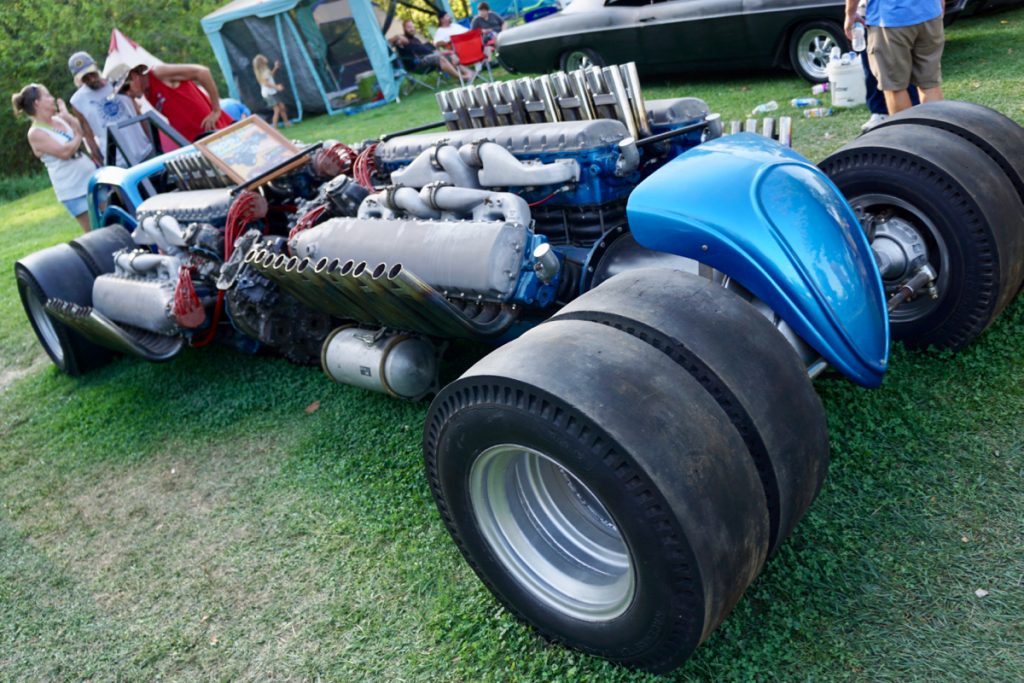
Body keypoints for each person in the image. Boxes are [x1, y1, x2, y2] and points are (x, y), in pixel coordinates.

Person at [12, 84, 96, 231]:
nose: (52, 99)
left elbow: (79, 127)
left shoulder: (59, 119)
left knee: (114, 223)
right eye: (48, 96)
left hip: (92, 179)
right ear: (37, 103)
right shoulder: (35, 133)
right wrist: (78, 136)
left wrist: (67, 115)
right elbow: (65, 152)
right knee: (96, 233)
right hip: (74, 190)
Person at [845, 0, 944, 116]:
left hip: (889, 19)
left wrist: (850, 14)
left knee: (895, 87)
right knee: (929, 84)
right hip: (929, 13)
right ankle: (937, 132)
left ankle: (907, 134)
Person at [107, 61, 234, 143]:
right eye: (122, 93)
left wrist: (216, 109)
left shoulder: (158, 73)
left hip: (218, 133)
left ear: (134, 76)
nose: (127, 94)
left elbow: (202, 72)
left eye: (125, 88)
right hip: (198, 142)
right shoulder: (147, 93)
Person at [67, 51, 153, 167]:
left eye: (92, 74)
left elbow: (138, 114)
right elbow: (89, 136)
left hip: (143, 150)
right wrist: (102, 165)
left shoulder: (118, 82)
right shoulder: (78, 101)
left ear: (96, 67)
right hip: (117, 161)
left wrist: (152, 141)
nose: (91, 79)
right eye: (85, 78)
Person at [392, 22, 475, 83]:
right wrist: (400, 38)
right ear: (404, 29)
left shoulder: (415, 39)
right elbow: (391, 40)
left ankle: (469, 73)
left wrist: (444, 52)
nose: (412, 28)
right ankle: (461, 78)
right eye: (409, 27)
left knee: (449, 55)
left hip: (428, 58)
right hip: (418, 63)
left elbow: (427, 50)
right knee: (439, 58)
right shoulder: (401, 42)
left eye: (413, 26)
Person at [252, 54, 291, 128]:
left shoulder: (265, 70)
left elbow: (270, 76)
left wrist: (275, 68)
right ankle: (274, 127)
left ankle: (287, 123)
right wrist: (277, 87)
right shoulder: (263, 72)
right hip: (268, 94)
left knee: (282, 107)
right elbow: (266, 83)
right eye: (263, 57)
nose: (265, 57)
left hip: (272, 92)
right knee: (277, 110)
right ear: (261, 61)